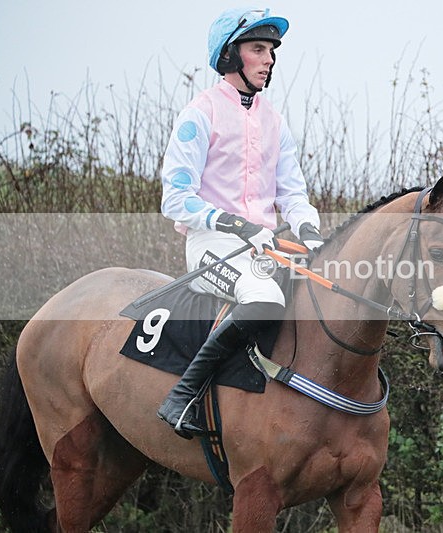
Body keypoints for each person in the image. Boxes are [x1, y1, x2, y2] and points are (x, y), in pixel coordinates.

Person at [156, 7, 324, 439]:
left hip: (266, 245)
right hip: (211, 243)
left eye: (270, 50)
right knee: (266, 298)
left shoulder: (275, 121)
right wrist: (235, 223)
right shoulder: (200, 114)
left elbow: (292, 193)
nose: (268, 59)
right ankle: (182, 395)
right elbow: (175, 199)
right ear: (232, 56)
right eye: (258, 49)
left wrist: (309, 229)